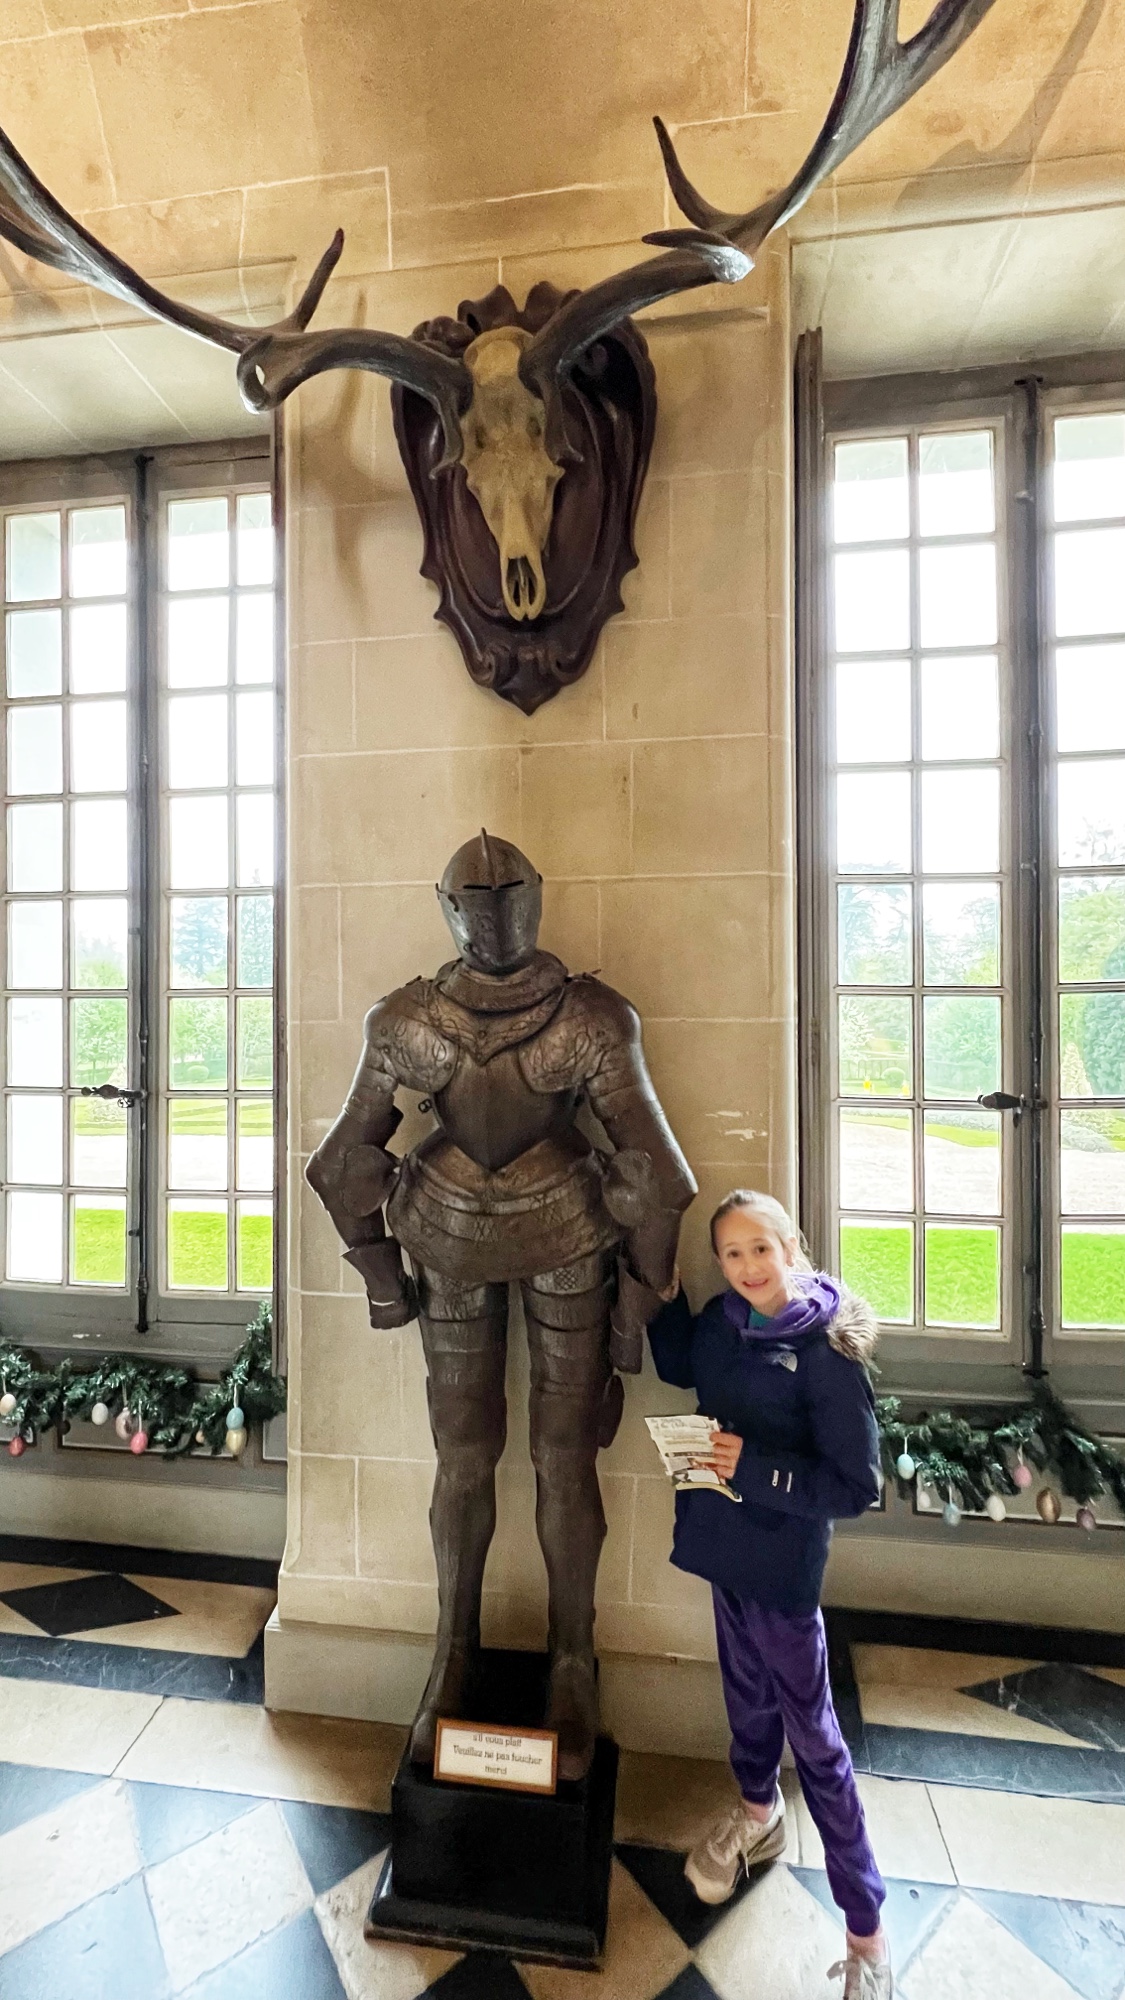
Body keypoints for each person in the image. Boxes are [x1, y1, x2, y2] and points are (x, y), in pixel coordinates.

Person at [647, 1189, 891, 2000]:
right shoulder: (721, 1322)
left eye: (762, 1247)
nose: (749, 1266)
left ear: (793, 1247)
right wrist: (661, 1291)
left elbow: (855, 1485)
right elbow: (681, 1365)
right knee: (744, 1696)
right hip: (721, 1544)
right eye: (732, 1253)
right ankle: (756, 1816)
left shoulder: (827, 1348)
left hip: (782, 1566)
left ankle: (866, 1931)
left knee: (814, 1740)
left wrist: (752, 1467)